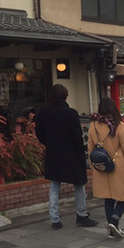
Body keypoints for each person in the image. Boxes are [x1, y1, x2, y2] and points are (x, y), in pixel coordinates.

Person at [36, 84, 98, 229]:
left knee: (54, 186)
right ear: (65, 96)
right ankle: (81, 215)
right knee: (79, 185)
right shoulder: (71, 113)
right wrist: (81, 151)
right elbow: (77, 136)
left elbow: (39, 133)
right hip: (72, 154)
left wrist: (49, 143)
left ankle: (55, 219)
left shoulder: (43, 113)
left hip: (54, 154)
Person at [88, 97, 124, 239]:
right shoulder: (119, 125)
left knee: (108, 198)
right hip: (118, 164)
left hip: (101, 165)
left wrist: (93, 166)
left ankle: (111, 229)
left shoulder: (93, 125)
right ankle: (114, 221)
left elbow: (90, 147)